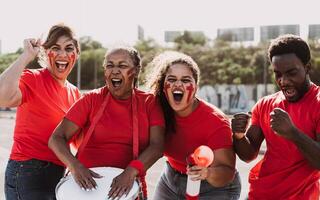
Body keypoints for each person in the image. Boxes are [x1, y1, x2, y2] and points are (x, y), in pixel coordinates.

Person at [48, 46, 165, 199]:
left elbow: (158, 145)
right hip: (86, 188)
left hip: (128, 187)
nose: (115, 70)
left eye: (122, 65)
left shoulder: (149, 103)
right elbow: (56, 138)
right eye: (110, 65)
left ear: (136, 70)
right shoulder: (91, 99)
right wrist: (75, 166)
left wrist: (130, 172)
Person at [232, 34, 320, 200]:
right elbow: (248, 154)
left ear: (307, 68)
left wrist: (293, 133)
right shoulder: (265, 104)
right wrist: (238, 136)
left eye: (291, 73)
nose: (284, 81)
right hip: (258, 194)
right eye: (277, 74)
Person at [0, 24, 81, 200]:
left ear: (76, 55)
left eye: (69, 48)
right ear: (45, 53)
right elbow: (2, 97)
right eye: (55, 48)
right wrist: (26, 56)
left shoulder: (74, 93)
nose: (62, 54)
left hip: (58, 175)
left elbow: (78, 141)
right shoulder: (33, 78)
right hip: (28, 172)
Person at [147, 51, 241, 200]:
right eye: (171, 79)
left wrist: (206, 173)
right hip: (171, 180)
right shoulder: (156, 110)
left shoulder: (216, 122)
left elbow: (227, 172)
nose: (178, 84)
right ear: (163, 87)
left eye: (185, 80)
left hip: (213, 187)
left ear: (196, 87)